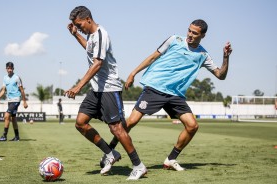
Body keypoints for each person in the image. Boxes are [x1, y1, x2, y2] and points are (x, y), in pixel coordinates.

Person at [103, 19, 232, 171]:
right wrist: (133, 73)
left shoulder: (203, 55)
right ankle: (109, 152)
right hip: (155, 88)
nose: (190, 35)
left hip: (175, 95)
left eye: (195, 33)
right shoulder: (174, 40)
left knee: (192, 126)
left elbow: (220, 75)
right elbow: (153, 57)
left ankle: (171, 159)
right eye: (189, 30)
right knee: (131, 122)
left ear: (203, 35)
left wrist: (225, 57)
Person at [65, 6, 147, 180]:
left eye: (79, 24)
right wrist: (75, 35)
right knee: (80, 123)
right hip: (96, 89)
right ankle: (110, 153)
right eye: (76, 25)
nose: (78, 27)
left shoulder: (102, 34)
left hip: (109, 88)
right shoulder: (91, 36)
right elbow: (89, 49)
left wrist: (78, 86)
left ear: (88, 19)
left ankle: (138, 166)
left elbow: (97, 64)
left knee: (116, 129)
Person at [0, 62, 28, 141]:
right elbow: (3, 90)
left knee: (6, 116)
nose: (9, 70)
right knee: (13, 118)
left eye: (11, 68)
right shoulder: (5, 78)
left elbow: (22, 90)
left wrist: (24, 101)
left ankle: (4, 135)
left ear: (13, 68)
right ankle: (17, 137)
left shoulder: (17, 77)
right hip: (10, 101)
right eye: (8, 68)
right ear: (6, 69)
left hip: (16, 99)